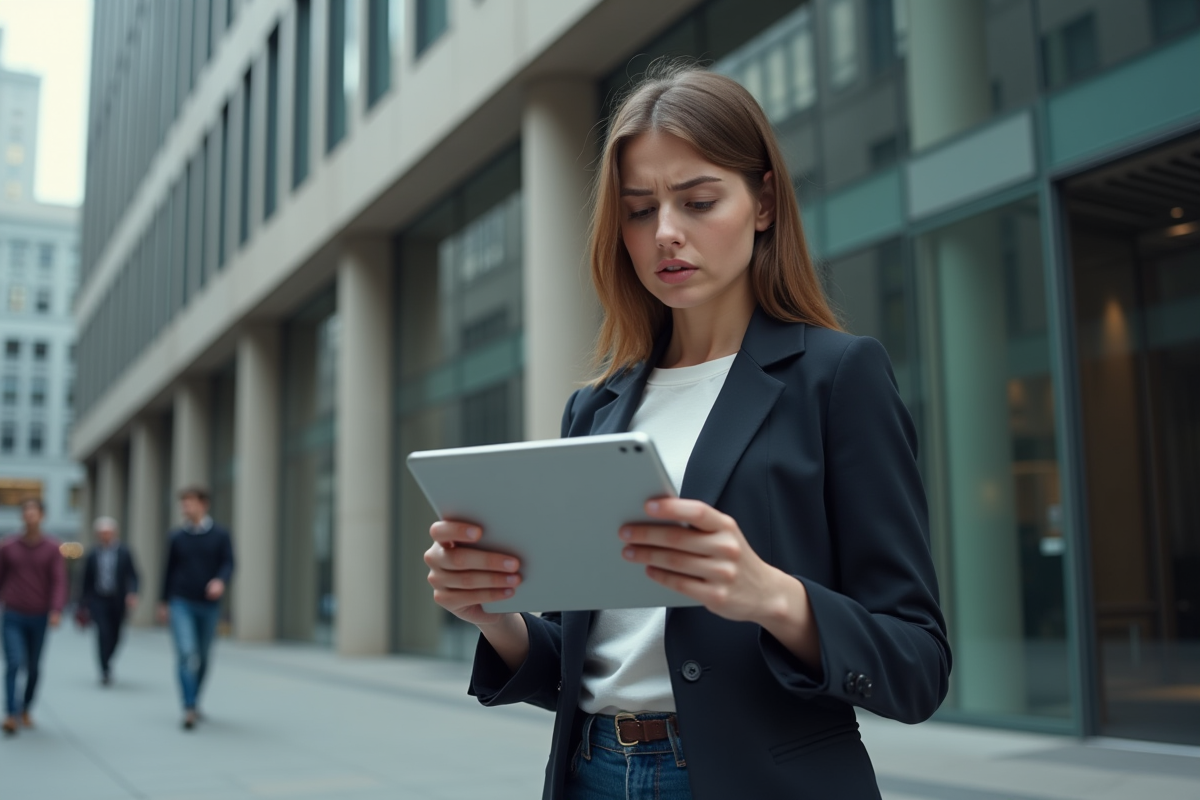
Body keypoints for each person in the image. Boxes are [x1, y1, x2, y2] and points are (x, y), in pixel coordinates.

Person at [425, 65, 951, 800]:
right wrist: (498, 618)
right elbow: (584, 665)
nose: (666, 233)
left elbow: (917, 665)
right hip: (591, 773)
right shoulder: (595, 409)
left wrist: (772, 595)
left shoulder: (836, 377)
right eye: (639, 210)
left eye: (699, 200)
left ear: (764, 201)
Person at [157, 486, 234, 730]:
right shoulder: (177, 537)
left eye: (189, 503)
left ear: (203, 504)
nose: (185, 508)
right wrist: (163, 602)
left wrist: (220, 581)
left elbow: (229, 562)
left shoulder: (220, 535)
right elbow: (168, 571)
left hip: (209, 605)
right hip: (181, 602)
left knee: (203, 656)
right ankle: (188, 706)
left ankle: (195, 699)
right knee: (186, 653)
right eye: (183, 504)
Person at [0, 498, 66, 736]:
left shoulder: (52, 547)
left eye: (34, 512)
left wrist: (56, 609)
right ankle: (10, 713)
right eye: (26, 512)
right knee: (14, 662)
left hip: (39, 615)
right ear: (21, 516)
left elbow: (59, 581)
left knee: (34, 667)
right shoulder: (8, 546)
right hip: (13, 614)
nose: (30, 516)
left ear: (42, 516)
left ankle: (26, 707)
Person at [80, 517, 140, 685]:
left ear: (114, 533)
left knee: (116, 635)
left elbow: (134, 575)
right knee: (103, 633)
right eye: (101, 533)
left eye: (107, 533)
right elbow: (85, 581)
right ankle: (104, 668)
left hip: (118, 599)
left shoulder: (124, 552)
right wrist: (82, 604)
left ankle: (109, 658)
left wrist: (133, 593)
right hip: (98, 600)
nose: (105, 536)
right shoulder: (92, 554)